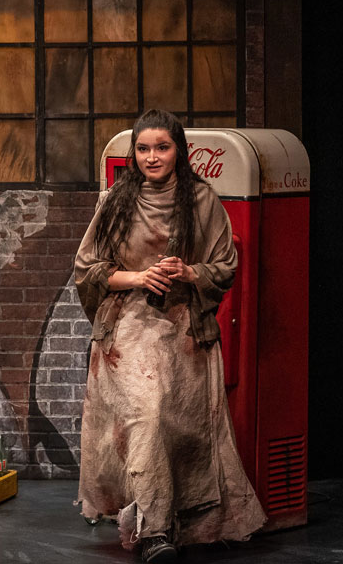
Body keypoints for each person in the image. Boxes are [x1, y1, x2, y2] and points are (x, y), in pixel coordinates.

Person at [73, 110, 266, 563]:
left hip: (183, 330)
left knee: (179, 431)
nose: (152, 156)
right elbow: (87, 268)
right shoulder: (116, 201)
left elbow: (225, 266)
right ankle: (155, 531)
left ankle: (181, 522)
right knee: (149, 416)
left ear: (178, 150)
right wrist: (138, 278)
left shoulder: (201, 199)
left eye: (162, 147)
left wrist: (189, 271)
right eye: (143, 148)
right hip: (128, 330)